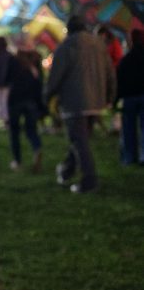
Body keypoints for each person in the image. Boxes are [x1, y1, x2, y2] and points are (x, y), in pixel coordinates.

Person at [46, 15, 117, 193]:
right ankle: (66, 171)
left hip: (74, 102)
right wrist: (110, 96)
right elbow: (110, 73)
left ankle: (89, 181)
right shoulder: (99, 45)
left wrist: (47, 95)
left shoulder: (67, 46)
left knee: (79, 142)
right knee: (80, 141)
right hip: (96, 102)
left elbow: (56, 76)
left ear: (69, 29)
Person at [5, 38, 45, 172]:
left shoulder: (13, 60)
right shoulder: (36, 60)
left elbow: (6, 78)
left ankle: (17, 161)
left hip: (15, 99)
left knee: (14, 131)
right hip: (31, 100)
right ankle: (37, 148)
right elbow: (40, 82)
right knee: (31, 129)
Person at [116, 29, 144, 165]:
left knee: (128, 129)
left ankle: (129, 156)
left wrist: (116, 99)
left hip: (129, 97)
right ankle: (142, 156)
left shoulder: (125, 60)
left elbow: (119, 81)